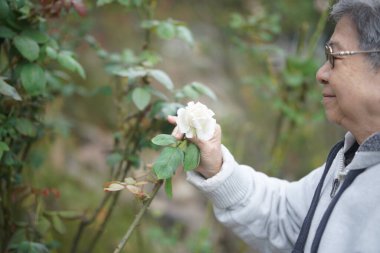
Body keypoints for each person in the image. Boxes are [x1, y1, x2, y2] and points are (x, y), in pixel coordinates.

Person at [168, 0, 380, 252]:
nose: (321, 73)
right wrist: (217, 168)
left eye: (334, 56)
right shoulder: (352, 156)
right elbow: (285, 218)